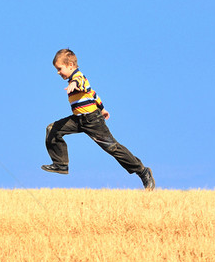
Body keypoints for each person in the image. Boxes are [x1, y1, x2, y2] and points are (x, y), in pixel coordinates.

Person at [42, 48, 155, 190]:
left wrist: (74, 84)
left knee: (113, 148)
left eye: (59, 69)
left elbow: (80, 82)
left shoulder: (78, 77)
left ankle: (143, 171)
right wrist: (102, 108)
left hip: (92, 121)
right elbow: (93, 93)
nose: (58, 72)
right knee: (52, 129)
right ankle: (61, 164)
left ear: (70, 65)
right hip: (78, 120)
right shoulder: (73, 79)